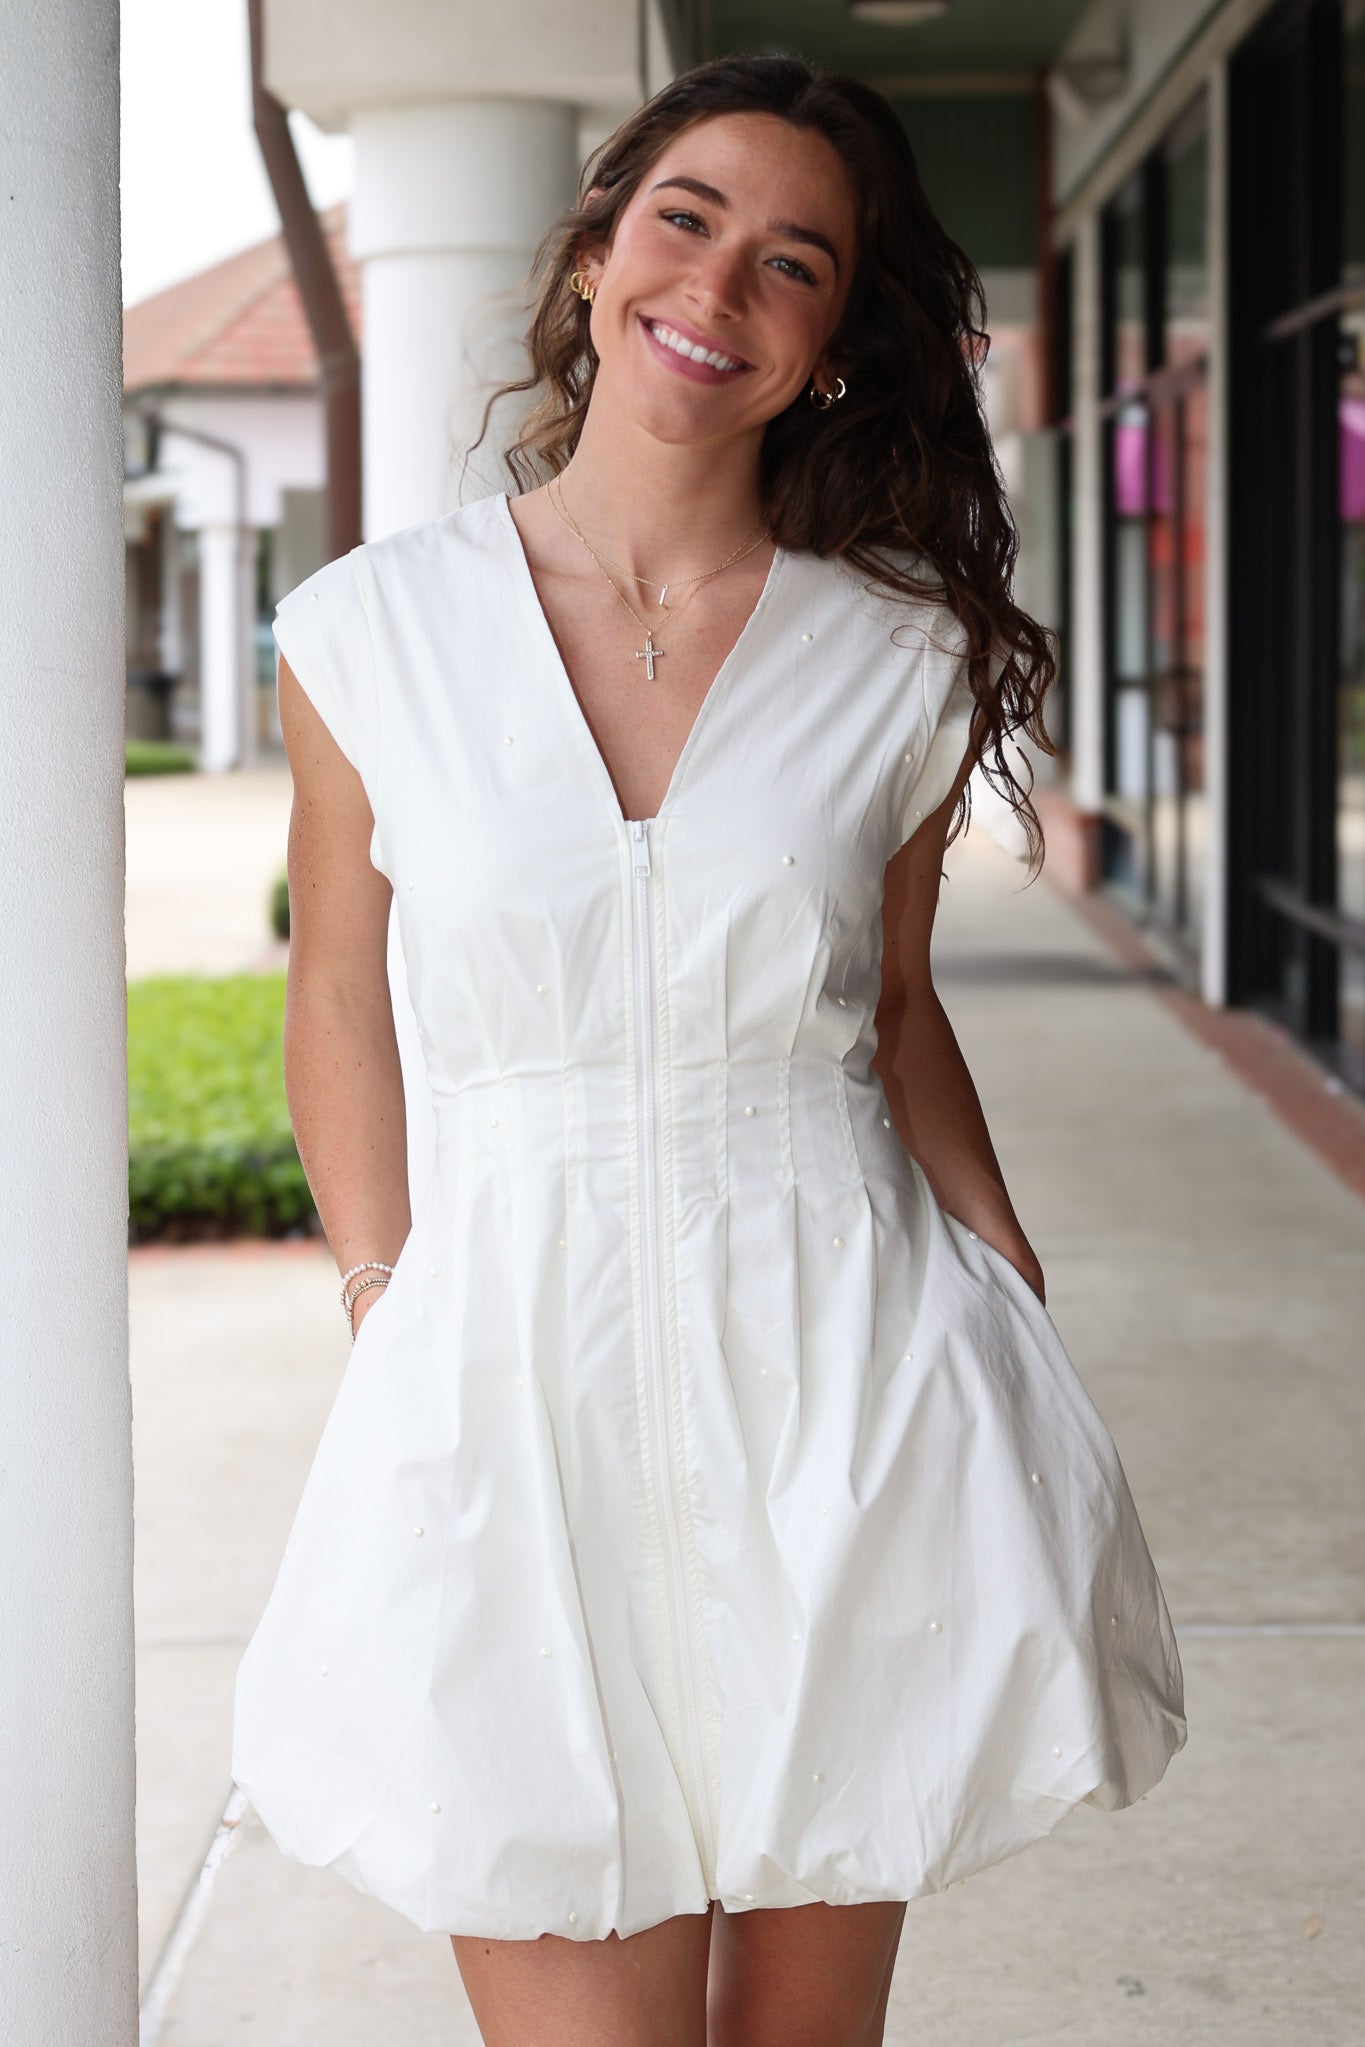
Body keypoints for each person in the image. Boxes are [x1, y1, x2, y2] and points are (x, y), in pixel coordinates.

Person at [232, 53, 1186, 2047]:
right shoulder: (366, 635)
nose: (717, 289)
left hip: (835, 1377)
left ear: (834, 345)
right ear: (593, 255)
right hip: (508, 1375)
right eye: (683, 220)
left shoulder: (900, 654)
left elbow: (893, 1001)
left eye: (793, 264)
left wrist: (999, 1272)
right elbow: (336, 990)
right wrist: (385, 1294)